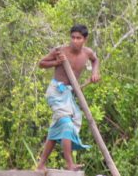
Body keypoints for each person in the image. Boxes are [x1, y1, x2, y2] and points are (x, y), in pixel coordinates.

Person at [36, 24, 100, 171]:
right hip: (56, 92)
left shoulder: (87, 53)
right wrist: (56, 62)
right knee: (66, 123)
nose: (75, 41)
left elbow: (95, 60)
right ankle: (69, 164)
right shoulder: (60, 51)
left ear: (85, 39)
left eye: (78, 38)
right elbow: (41, 63)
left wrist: (95, 73)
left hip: (69, 94)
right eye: (73, 37)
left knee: (57, 128)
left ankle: (41, 165)